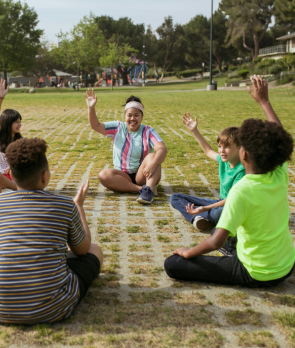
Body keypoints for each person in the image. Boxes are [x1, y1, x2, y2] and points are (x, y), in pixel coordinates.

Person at [164, 75, 295, 288]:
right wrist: (264, 102)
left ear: (243, 155)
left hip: (256, 273)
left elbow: (215, 242)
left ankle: (233, 252)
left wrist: (189, 252)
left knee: (173, 263)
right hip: (287, 264)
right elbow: (278, 135)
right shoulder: (278, 173)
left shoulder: (241, 190)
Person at [0, 138, 103, 324]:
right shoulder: (65, 205)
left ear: (10, 174)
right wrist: (79, 206)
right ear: (45, 176)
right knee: (95, 250)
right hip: (54, 307)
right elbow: (82, 250)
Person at [84, 89, 167, 204]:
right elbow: (95, 125)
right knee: (103, 175)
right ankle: (143, 190)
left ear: (142, 116)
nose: (132, 118)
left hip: (143, 174)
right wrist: (91, 108)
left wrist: (153, 164)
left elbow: (162, 149)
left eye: (136, 115)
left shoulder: (148, 131)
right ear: (125, 116)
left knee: (153, 156)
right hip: (122, 176)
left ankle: (148, 189)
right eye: (129, 115)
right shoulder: (118, 127)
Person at [170, 118, 245, 231]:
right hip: (220, 202)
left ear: (239, 147)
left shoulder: (242, 170)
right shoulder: (223, 160)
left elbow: (231, 200)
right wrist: (194, 131)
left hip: (232, 206)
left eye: (227, 147)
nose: (222, 150)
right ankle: (198, 219)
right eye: (220, 146)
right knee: (175, 198)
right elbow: (208, 151)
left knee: (217, 213)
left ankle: (199, 216)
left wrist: (204, 208)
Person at [0, 79, 23, 193]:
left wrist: (14, 167)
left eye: (19, 121)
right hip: (4, 179)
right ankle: (21, 191)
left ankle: (18, 190)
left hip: (18, 177)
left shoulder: (21, 141)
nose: (20, 125)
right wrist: (0, 98)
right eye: (16, 122)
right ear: (8, 123)